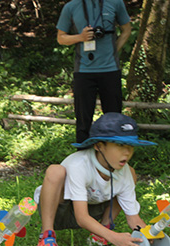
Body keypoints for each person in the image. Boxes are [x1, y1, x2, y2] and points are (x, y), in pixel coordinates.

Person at [34, 112, 157, 246]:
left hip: (94, 208)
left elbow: (133, 219)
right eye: (120, 145)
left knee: (131, 173)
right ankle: (47, 236)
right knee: (55, 171)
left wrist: (149, 235)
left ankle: (102, 231)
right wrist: (115, 237)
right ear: (99, 146)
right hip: (61, 209)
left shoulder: (125, 172)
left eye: (131, 146)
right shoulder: (79, 164)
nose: (127, 152)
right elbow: (82, 218)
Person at [56, 0, 132, 144]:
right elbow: (61, 38)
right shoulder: (71, 6)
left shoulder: (115, 3)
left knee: (114, 119)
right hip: (83, 71)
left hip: (110, 70)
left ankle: (112, 159)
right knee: (83, 121)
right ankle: (83, 158)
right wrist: (80, 37)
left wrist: (114, 51)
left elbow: (127, 30)